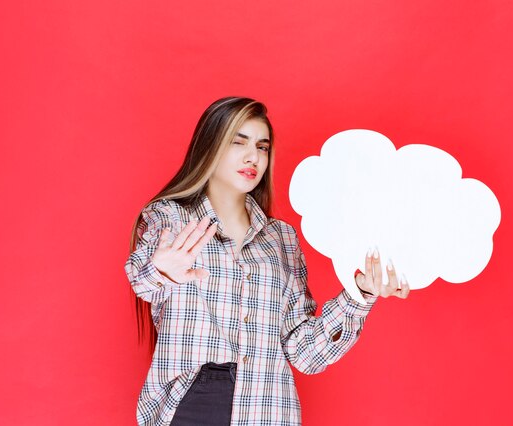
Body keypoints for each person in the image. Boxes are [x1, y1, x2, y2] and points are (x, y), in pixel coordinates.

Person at [124, 96, 410, 426]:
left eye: (262, 146)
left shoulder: (282, 239)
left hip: (268, 408)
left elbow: (305, 353)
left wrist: (358, 294)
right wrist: (162, 271)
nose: (253, 157)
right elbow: (142, 280)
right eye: (238, 142)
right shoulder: (169, 219)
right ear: (209, 146)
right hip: (193, 405)